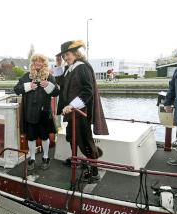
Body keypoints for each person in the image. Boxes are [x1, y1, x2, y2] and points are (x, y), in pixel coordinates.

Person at [54, 40, 108, 182]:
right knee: (72, 137)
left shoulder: (81, 67)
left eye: (67, 55)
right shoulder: (71, 68)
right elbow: (61, 83)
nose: (65, 58)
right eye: (63, 56)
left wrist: (73, 105)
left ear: (75, 53)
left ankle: (94, 172)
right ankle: (76, 159)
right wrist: (58, 66)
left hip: (80, 112)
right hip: (73, 112)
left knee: (85, 140)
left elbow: (87, 90)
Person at [14, 53, 60, 170]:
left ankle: (45, 157)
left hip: (44, 113)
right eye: (36, 61)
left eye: (40, 61)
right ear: (33, 63)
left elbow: (56, 92)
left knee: (45, 136)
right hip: (29, 113)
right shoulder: (26, 77)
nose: (38, 63)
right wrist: (27, 86)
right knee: (31, 137)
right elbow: (16, 90)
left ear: (44, 63)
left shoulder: (49, 77)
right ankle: (32, 158)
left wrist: (49, 86)